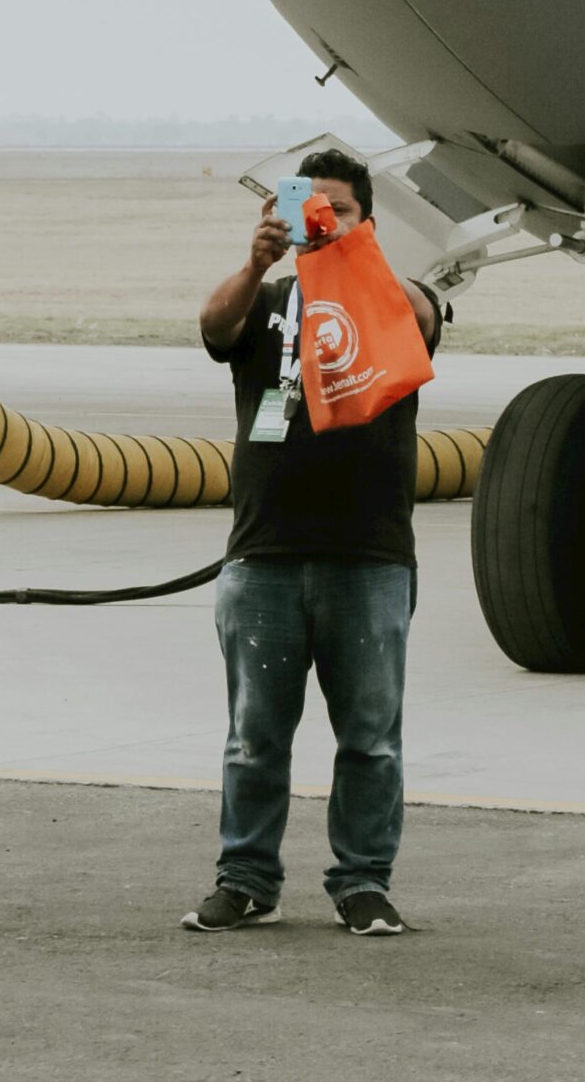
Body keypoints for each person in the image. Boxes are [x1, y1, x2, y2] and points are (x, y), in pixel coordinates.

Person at [186, 149, 442, 939]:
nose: (321, 223)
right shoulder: (265, 302)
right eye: (310, 210)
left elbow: (426, 319)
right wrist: (257, 260)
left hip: (367, 558)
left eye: (339, 211)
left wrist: (348, 254)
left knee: (370, 739)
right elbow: (213, 327)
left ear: (366, 221)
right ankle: (246, 879)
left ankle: (363, 883)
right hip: (265, 554)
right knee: (254, 739)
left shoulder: (392, 303)